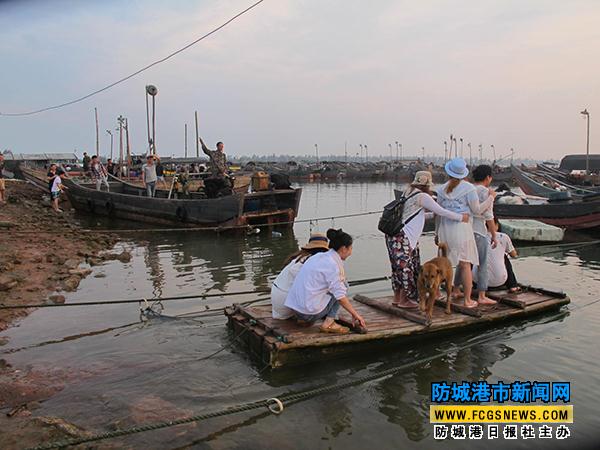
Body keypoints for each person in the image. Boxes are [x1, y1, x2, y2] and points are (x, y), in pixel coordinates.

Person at [386, 171, 469, 308]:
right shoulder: (422, 196)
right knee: (406, 270)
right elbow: (441, 211)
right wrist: (461, 217)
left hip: (394, 235)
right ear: (427, 185)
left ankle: (398, 298)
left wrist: (432, 216)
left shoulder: (408, 192)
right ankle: (406, 300)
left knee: (397, 269)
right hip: (404, 238)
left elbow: (414, 216)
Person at [435, 158, 496, 308]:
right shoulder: (468, 188)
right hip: (462, 228)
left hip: (445, 228)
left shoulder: (441, 189)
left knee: (444, 262)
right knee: (465, 264)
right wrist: (490, 198)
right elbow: (477, 211)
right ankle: (468, 300)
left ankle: (436, 292)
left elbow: (438, 213)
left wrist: (437, 233)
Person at [285, 229, 366, 334]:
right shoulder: (333, 265)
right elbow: (340, 296)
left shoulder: (317, 257)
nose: (351, 252)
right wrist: (355, 315)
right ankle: (329, 323)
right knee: (343, 285)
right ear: (343, 248)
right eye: (350, 248)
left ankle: (303, 319)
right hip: (308, 313)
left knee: (334, 286)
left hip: (295, 310)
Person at [271, 233, 330, 319]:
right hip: (288, 305)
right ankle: (330, 319)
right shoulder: (313, 263)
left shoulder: (297, 258)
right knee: (339, 288)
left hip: (277, 305)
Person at [470, 165, 498, 305]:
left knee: (465, 262)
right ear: (488, 177)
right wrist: (494, 235)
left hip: (467, 230)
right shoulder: (487, 193)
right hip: (479, 231)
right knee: (482, 263)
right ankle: (482, 295)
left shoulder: (469, 189)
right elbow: (489, 217)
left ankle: (457, 289)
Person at [475, 218, 520, 292]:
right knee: (504, 257)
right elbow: (514, 255)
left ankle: (465, 284)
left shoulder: (476, 236)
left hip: (477, 282)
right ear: (496, 225)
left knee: (471, 257)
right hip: (499, 281)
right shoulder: (504, 237)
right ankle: (513, 285)